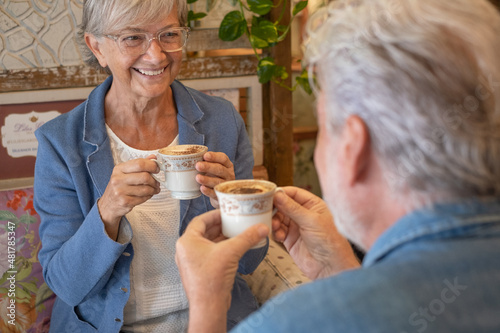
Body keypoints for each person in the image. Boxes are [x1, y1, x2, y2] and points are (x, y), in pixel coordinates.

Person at [175, 0, 500, 331]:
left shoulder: (295, 322)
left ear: (352, 148)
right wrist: (343, 271)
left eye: (324, 129)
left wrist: (207, 306)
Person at [33, 0, 267, 332]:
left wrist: (231, 205)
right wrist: (108, 210)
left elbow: (250, 260)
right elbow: (67, 285)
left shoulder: (222, 122)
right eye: (133, 38)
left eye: (169, 34)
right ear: (96, 46)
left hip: (215, 320)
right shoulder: (60, 144)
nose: (156, 55)